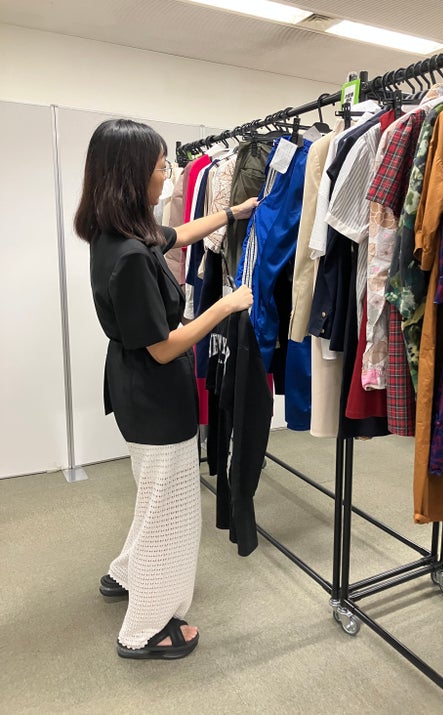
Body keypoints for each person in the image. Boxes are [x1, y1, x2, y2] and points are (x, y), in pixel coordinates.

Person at [74, 118, 256, 660]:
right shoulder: (130, 256)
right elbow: (163, 347)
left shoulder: (118, 234)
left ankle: (124, 573)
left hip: (137, 390)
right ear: (132, 175)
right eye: (160, 168)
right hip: (154, 395)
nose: (168, 177)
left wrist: (231, 213)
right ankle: (145, 630)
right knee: (171, 514)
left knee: (153, 498)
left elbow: (177, 235)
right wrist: (224, 306)